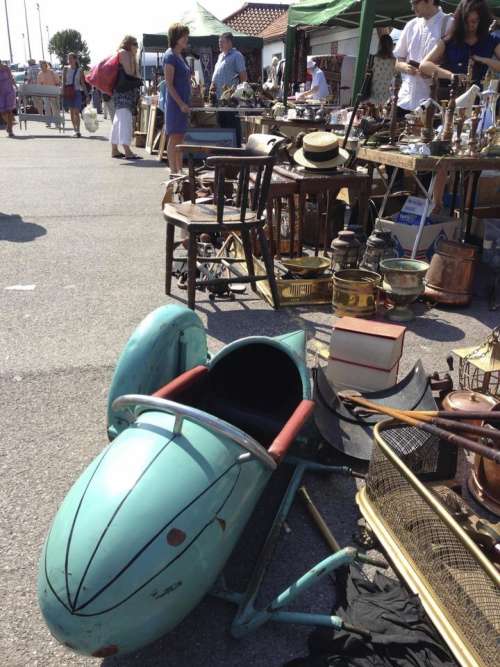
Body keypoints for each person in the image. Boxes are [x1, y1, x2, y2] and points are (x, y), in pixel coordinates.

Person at [394, 0, 454, 115]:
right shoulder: (411, 25)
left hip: (433, 102)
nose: (412, 7)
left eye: (415, 2)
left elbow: (456, 63)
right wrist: (405, 67)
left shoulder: (449, 23)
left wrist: (432, 70)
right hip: (405, 100)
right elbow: (397, 62)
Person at [420, 0, 500, 84]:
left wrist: (484, 60)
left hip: (479, 94)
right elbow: (424, 65)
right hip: (452, 93)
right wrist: (451, 76)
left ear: (482, 20)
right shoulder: (450, 40)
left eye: (474, 21)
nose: (470, 25)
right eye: (466, 21)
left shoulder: (491, 40)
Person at [163, 23, 191, 175]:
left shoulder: (180, 56)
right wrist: (180, 104)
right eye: (183, 36)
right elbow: (169, 83)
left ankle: (179, 169)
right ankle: (173, 171)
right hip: (175, 105)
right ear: (175, 37)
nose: (186, 38)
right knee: (174, 137)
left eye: (187, 35)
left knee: (180, 137)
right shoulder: (170, 56)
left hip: (183, 104)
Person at [212, 32, 247, 146]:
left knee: (232, 124)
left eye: (222, 42)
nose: (219, 44)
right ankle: (225, 151)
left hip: (231, 100)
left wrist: (239, 97)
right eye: (219, 42)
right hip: (219, 99)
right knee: (222, 124)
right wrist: (212, 85)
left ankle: (236, 150)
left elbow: (243, 77)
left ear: (229, 42)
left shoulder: (237, 55)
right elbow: (216, 74)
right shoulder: (220, 56)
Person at [110, 35, 142, 160]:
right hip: (124, 91)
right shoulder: (124, 53)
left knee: (119, 120)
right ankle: (127, 150)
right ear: (130, 44)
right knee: (125, 120)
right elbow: (130, 72)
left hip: (123, 91)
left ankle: (114, 149)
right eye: (135, 45)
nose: (137, 48)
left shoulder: (126, 54)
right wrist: (133, 57)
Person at [62, 53, 86, 137]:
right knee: (71, 112)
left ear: (75, 59)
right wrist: (62, 92)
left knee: (76, 112)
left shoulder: (80, 70)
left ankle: (78, 130)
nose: (70, 60)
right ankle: (75, 130)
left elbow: (82, 83)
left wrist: (87, 95)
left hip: (77, 92)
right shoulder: (65, 69)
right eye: (68, 58)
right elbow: (63, 81)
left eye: (71, 58)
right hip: (68, 92)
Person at [368, 34, 396, 105]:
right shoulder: (394, 61)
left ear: (379, 45)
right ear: (391, 46)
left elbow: (366, 75)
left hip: (370, 96)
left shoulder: (372, 59)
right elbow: (396, 76)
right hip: (386, 98)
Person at [37, 61, 60, 127]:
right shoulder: (40, 74)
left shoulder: (52, 72)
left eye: (42, 65)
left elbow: (57, 81)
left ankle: (57, 123)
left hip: (53, 92)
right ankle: (48, 122)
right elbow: (39, 84)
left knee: (54, 108)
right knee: (46, 107)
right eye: (40, 65)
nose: (41, 67)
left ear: (46, 65)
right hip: (45, 92)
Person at [0, 61, 16, 137]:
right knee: (2, 112)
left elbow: (11, 77)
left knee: (9, 110)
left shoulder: (6, 67)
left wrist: (16, 87)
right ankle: (9, 124)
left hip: (9, 90)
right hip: (0, 92)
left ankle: (10, 129)